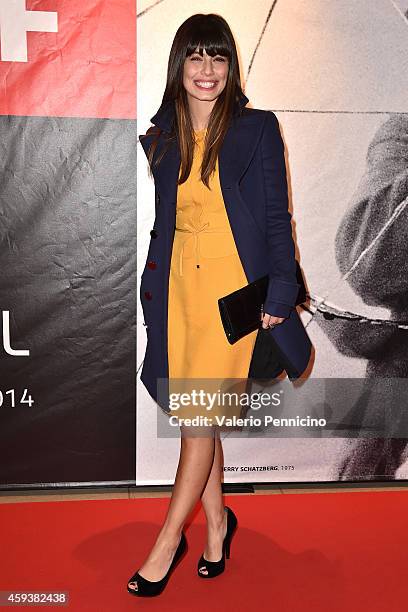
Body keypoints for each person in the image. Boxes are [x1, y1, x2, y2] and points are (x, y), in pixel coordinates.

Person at [130, 13, 309, 597]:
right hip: (179, 294)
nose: (207, 71)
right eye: (196, 57)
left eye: (219, 58)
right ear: (178, 65)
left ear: (232, 67)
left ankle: (165, 543)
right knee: (195, 420)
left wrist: (282, 290)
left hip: (234, 298)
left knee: (198, 422)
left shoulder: (257, 129)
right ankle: (216, 526)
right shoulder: (162, 137)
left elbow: (278, 221)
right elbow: (165, 228)